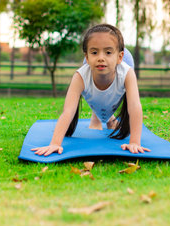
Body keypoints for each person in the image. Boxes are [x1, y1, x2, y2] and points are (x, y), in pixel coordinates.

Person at [32, 23, 150, 156]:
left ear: (120, 57)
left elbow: (134, 106)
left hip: (119, 76)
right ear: (87, 58)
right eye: (94, 52)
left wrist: (134, 142)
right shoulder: (80, 76)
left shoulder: (127, 73)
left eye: (108, 52)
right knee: (98, 97)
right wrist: (55, 143)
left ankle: (109, 119)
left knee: (110, 98)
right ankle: (100, 117)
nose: (100, 57)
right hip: (93, 83)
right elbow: (68, 111)